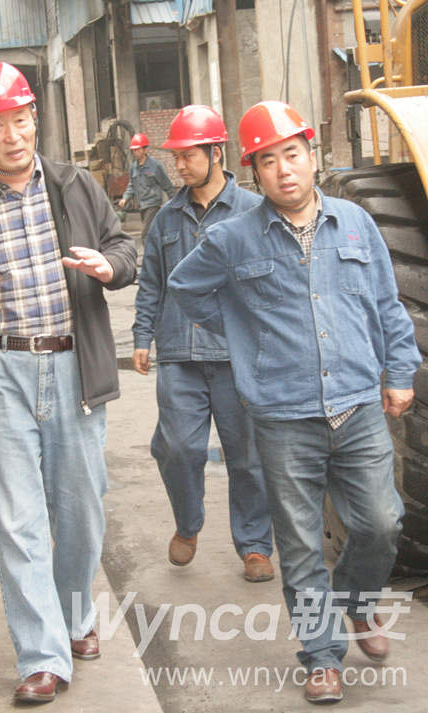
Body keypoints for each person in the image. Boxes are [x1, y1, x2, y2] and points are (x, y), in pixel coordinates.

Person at [168, 100, 421, 704]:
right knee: (302, 543)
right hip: (282, 416)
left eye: (292, 154)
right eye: (268, 161)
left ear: (312, 155)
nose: (283, 170)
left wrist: (400, 370)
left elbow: (387, 304)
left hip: (356, 405)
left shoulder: (356, 223)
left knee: (381, 523)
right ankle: (321, 655)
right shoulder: (232, 238)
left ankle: (357, 601)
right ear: (254, 171)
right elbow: (185, 288)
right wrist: (244, 338)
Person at [0, 59, 136, 704]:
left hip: (73, 366)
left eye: (19, 119)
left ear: (34, 118)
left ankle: (76, 615)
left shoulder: (76, 185)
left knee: (81, 509)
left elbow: (124, 249)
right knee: (18, 520)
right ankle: (42, 654)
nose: (11, 135)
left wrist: (109, 267)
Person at [132, 105, 274, 582]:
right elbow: (151, 282)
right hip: (179, 352)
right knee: (177, 448)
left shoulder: (253, 212)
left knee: (248, 456)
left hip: (238, 356)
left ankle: (255, 546)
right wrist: (142, 336)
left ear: (216, 153)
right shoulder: (166, 219)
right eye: (175, 157)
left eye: (188, 155)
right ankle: (188, 524)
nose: (179, 166)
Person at [118, 132, 175, 246]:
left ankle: (148, 254)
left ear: (145, 149)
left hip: (153, 204)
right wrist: (125, 198)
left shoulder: (155, 165)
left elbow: (166, 184)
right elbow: (131, 185)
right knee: (153, 231)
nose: (136, 152)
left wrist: (175, 200)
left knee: (145, 233)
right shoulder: (134, 167)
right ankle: (159, 250)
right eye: (134, 150)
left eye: (138, 150)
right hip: (142, 205)